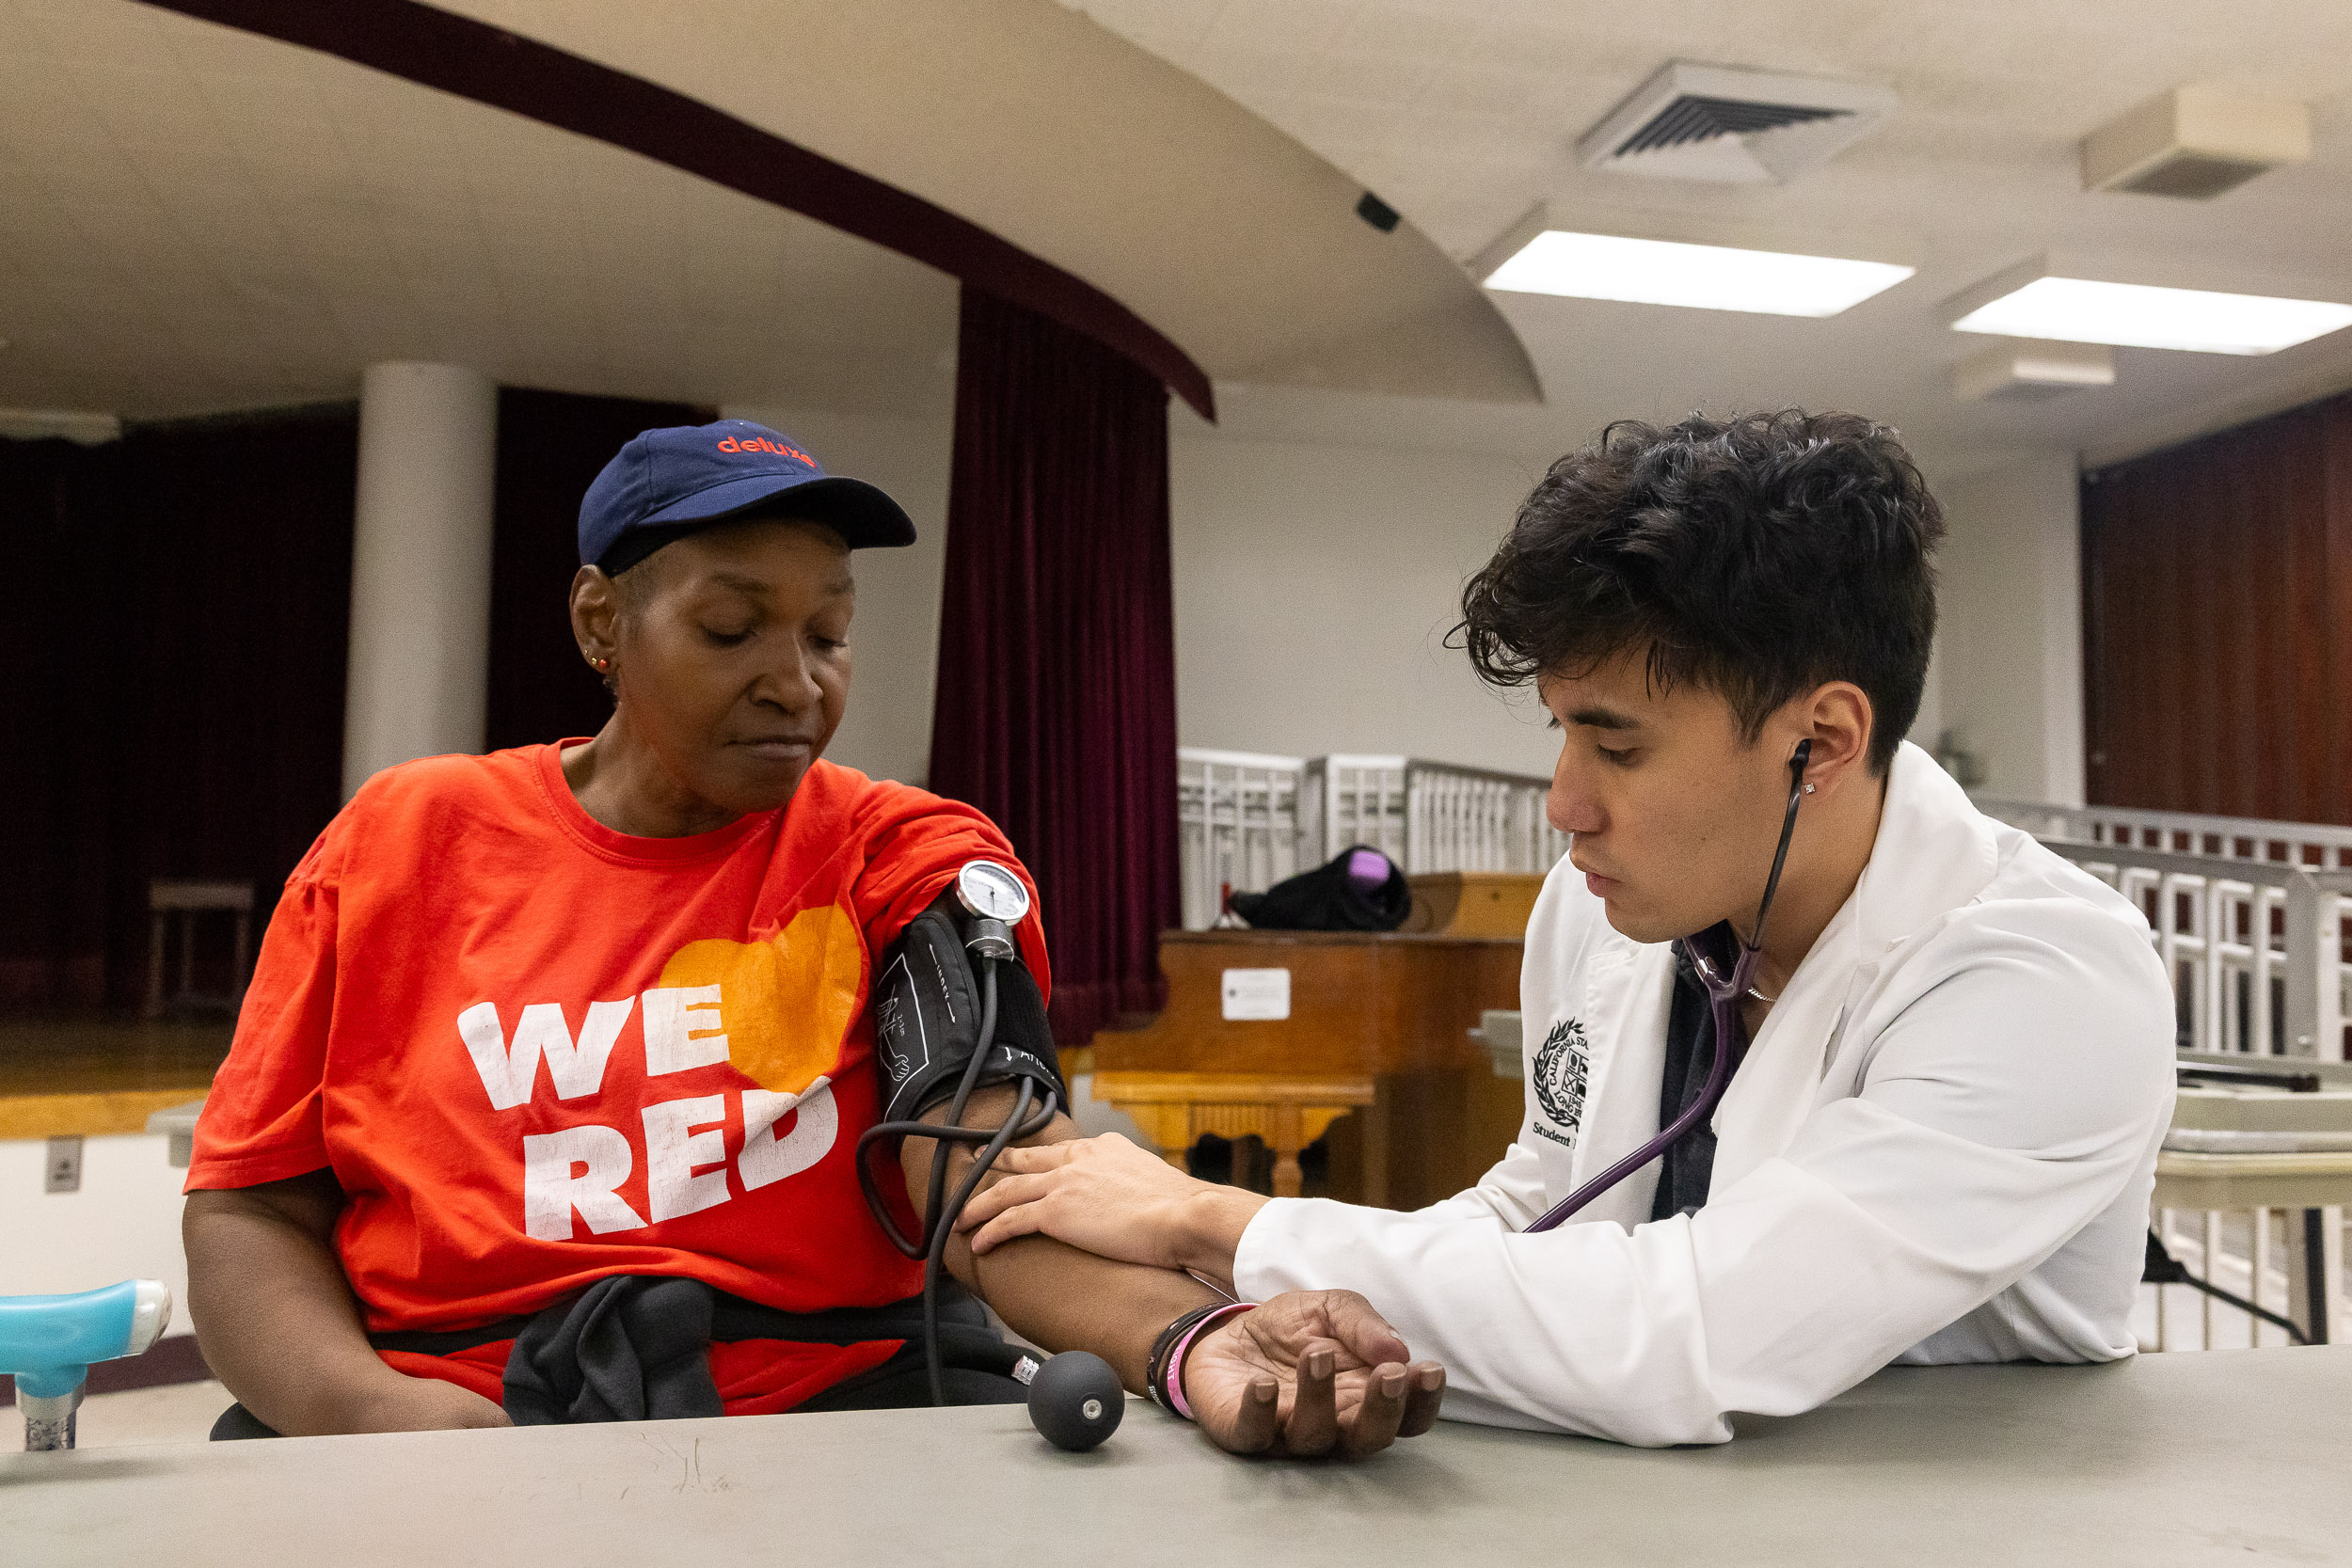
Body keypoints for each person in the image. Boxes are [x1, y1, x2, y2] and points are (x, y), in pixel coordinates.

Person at [183, 419, 1443, 1456]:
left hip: (830, 1415)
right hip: (449, 1422)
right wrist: (362, 1414)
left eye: (830, 635)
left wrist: (1191, 1341)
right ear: (599, 624)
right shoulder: (404, 842)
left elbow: (985, 1173)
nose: (798, 682)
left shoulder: (907, 857)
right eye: (733, 632)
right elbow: (251, 1210)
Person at [953, 410, 2178, 1447]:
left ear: (1822, 742)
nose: (1564, 803)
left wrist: (1211, 1217)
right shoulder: (1596, 915)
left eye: (1616, 743)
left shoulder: (2045, 978)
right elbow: (1544, 1208)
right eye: (1560, 731)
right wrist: (1315, 1302)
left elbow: (1690, 1335)